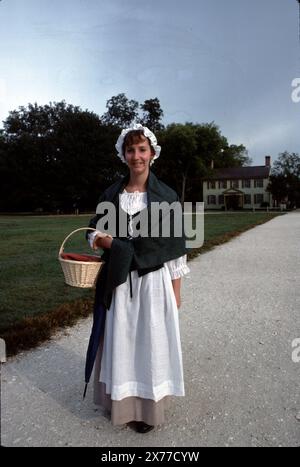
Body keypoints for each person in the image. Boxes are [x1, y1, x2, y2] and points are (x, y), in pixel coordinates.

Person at [84, 123, 190, 433]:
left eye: (142, 149)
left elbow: (174, 250)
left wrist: (176, 292)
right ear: (123, 154)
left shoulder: (166, 196)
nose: (136, 155)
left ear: (152, 153)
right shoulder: (113, 194)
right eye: (130, 149)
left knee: (150, 342)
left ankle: (147, 407)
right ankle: (122, 401)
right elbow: (93, 232)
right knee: (123, 340)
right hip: (119, 281)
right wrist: (106, 242)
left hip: (153, 283)